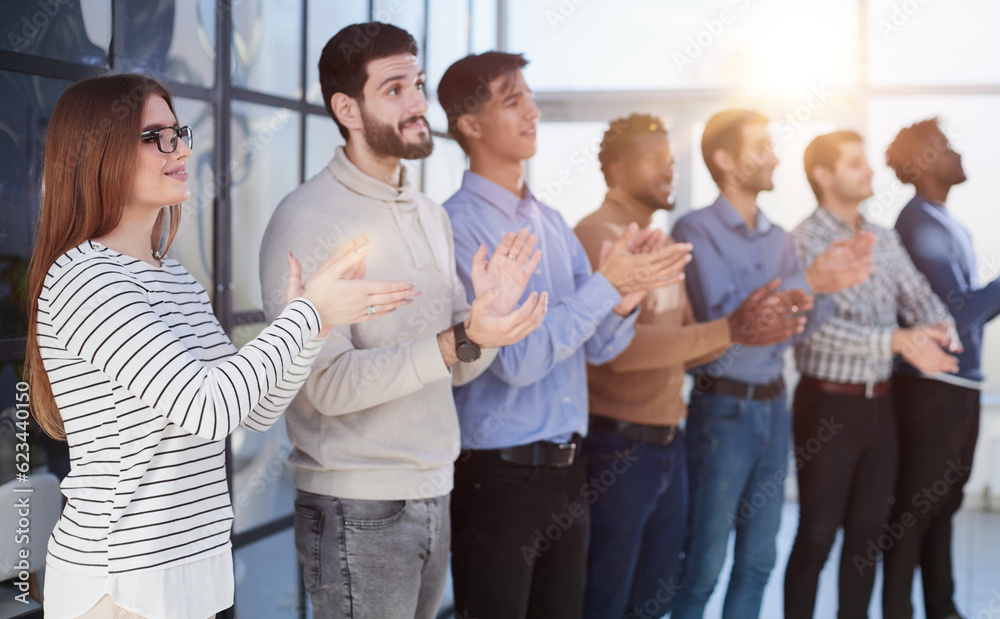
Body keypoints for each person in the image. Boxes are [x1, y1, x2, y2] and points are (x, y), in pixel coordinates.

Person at [27, 73, 417, 619]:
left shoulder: (174, 279)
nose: (181, 147)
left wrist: (315, 328)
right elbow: (206, 406)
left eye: (179, 132)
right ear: (97, 153)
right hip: (121, 582)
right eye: (156, 136)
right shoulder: (87, 279)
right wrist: (310, 315)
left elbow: (251, 410)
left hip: (186, 570)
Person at [258, 25, 547, 619]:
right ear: (347, 108)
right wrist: (449, 344)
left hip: (434, 491)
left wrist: (481, 329)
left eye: (416, 84)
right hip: (355, 507)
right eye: (395, 89)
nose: (418, 103)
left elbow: (457, 369)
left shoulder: (430, 215)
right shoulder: (307, 219)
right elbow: (323, 385)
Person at [437, 52, 692, 619]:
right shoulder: (458, 226)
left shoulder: (550, 221)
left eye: (528, 96)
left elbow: (600, 346)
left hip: (569, 475)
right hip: (498, 481)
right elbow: (519, 359)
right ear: (470, 125)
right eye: (512, 101)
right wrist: (606, 285)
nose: (532, 110)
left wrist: (622, 296)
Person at [573, 113, 814, 619]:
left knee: (652, 596)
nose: (670, 170)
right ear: (617, 169)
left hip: (667, 441)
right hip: (617, 446)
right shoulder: (598, 235)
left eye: (672, 160)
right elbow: (616, 352)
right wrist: (731, 329)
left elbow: (689, 344)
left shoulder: (658, 242)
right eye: (655, 160)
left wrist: (745, 328)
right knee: (609, 598)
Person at [669, 109, 874, 619]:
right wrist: (812, 284)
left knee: (759, 561)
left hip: (773, 409)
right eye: (761, 146)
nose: (775, 156)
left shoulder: (780, 238)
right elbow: (733, 320)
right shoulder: (694, 228)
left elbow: (798, 323)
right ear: (724, 159)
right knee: (704, 564)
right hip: (722, 412)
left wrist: (832, 283)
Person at [784, 130, 959, 619]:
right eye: (855, 162)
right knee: (818, 534)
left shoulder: (882, 238)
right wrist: (896, 340)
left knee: (866, 537)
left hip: (880, 408)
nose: (870, 171)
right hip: (827, 408)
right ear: (823, 174)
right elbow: (814, 334)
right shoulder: (803, 242)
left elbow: (918, 295)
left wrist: (938, 325)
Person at [884, 118, 1000, 619]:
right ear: (924, 162)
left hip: (957, 388)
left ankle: (942, 609)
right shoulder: (918, 223)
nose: (958, 153)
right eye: (946, 147)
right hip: (931, 391)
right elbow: (952, 319)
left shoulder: (944, 220)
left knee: (941, 507)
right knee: (915, 511)